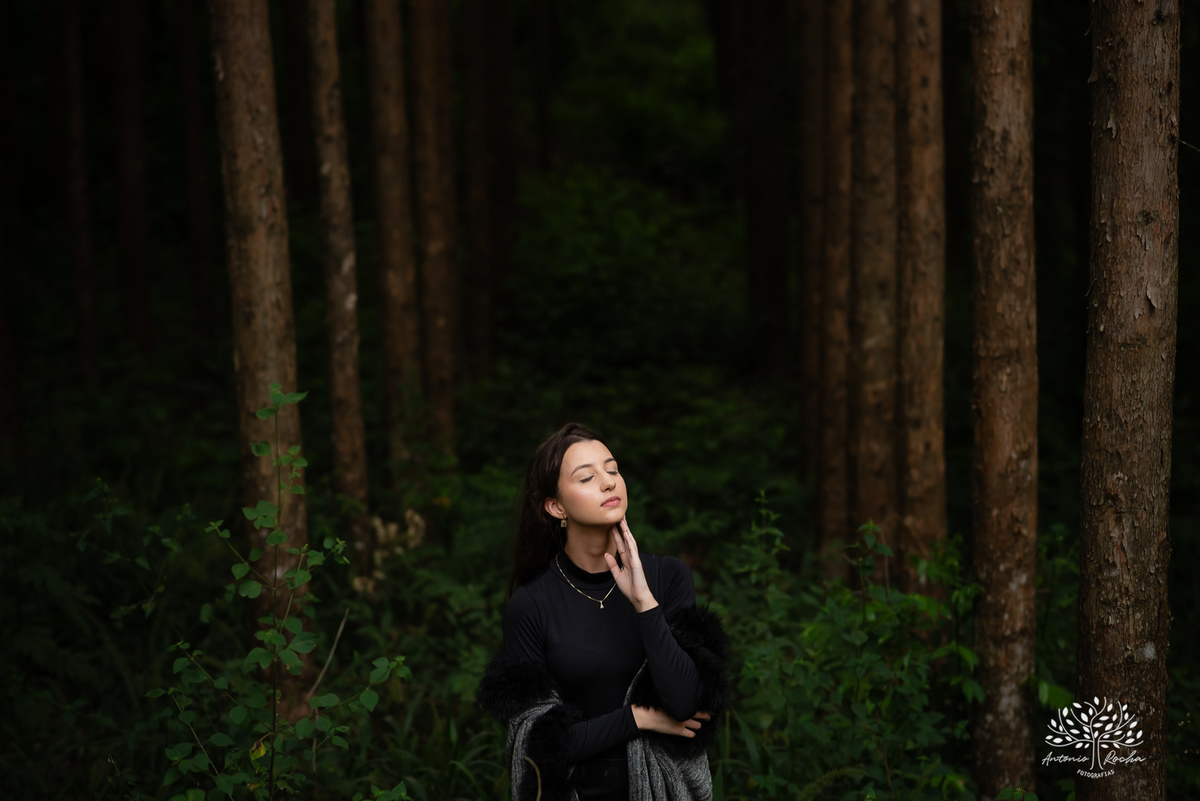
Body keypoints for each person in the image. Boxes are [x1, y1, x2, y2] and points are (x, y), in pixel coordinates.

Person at [477, 423, 729, 801]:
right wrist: (639, 719)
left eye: (612, 470)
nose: (609, 482)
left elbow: (684, 704)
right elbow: (535, 745)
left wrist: (644, 602)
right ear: (555, 506)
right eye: (587, 477)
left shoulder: (667, 577)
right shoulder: (531, 605)